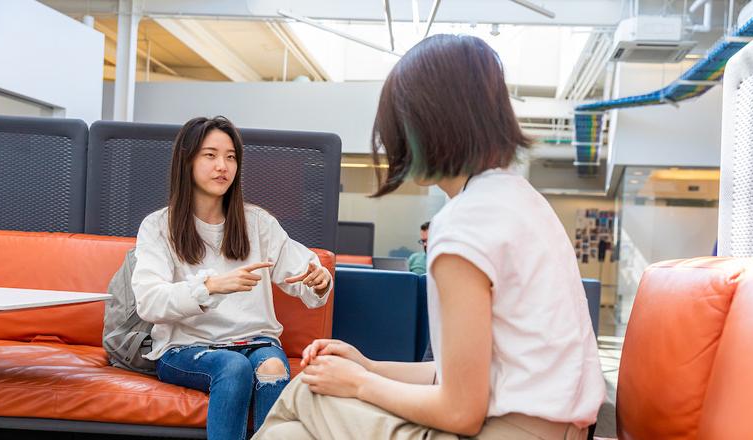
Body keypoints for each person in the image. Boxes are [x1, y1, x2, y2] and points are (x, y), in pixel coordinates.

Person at [254, 34, 605, 440]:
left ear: (427, 124)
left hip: (505, 431)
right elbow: (471, 376)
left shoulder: (464, 223)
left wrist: (358, 384)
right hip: (552, 429)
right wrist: (367, 366)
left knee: (304, 394)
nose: (391, 145)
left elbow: (460, 411)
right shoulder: (520, 201)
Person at [131, 116, 332, 440]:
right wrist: (209, 287)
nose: (222, 165)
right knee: (233, 367)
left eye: (230, 157)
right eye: (210, 155)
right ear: (187, 160)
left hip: (256, 342)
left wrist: (318, 279)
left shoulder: (257, 223)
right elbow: (149, 302)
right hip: (185, 347)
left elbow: (303, 271)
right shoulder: (158, 226)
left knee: (272, 368)